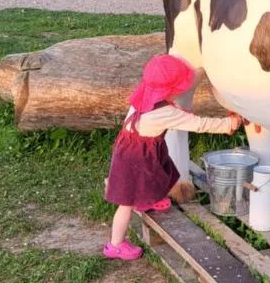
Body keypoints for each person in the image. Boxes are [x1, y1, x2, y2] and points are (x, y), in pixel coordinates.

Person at [103, 54, 242, 260]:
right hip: (134, 159)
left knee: (158, 175)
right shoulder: (164, 113)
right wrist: (229, 124)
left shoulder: (145, 93)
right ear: (170, 89)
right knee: (126, 204)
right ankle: (115, 245)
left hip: (135, 148)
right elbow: (199, 124)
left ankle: (146, 199)